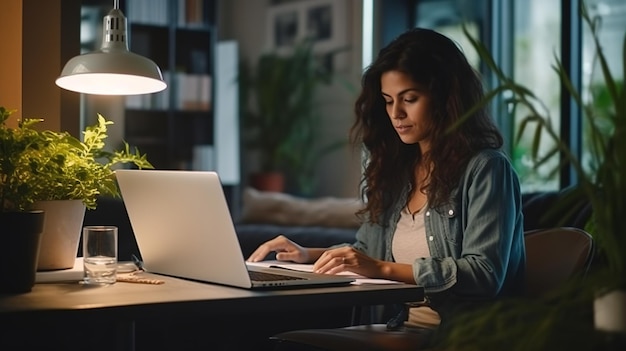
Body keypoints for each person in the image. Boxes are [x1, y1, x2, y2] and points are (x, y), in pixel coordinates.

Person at [248, 27, 525, 339]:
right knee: (283, 339)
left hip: (463, 336)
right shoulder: (396, 171)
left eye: (410, 98)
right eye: (388, 100)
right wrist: (307, 254)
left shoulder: (486, 169)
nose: (396, 113)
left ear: (448, 97)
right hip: (401, 329)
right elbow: (368, 251)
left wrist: (381, 269)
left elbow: (484, 274)